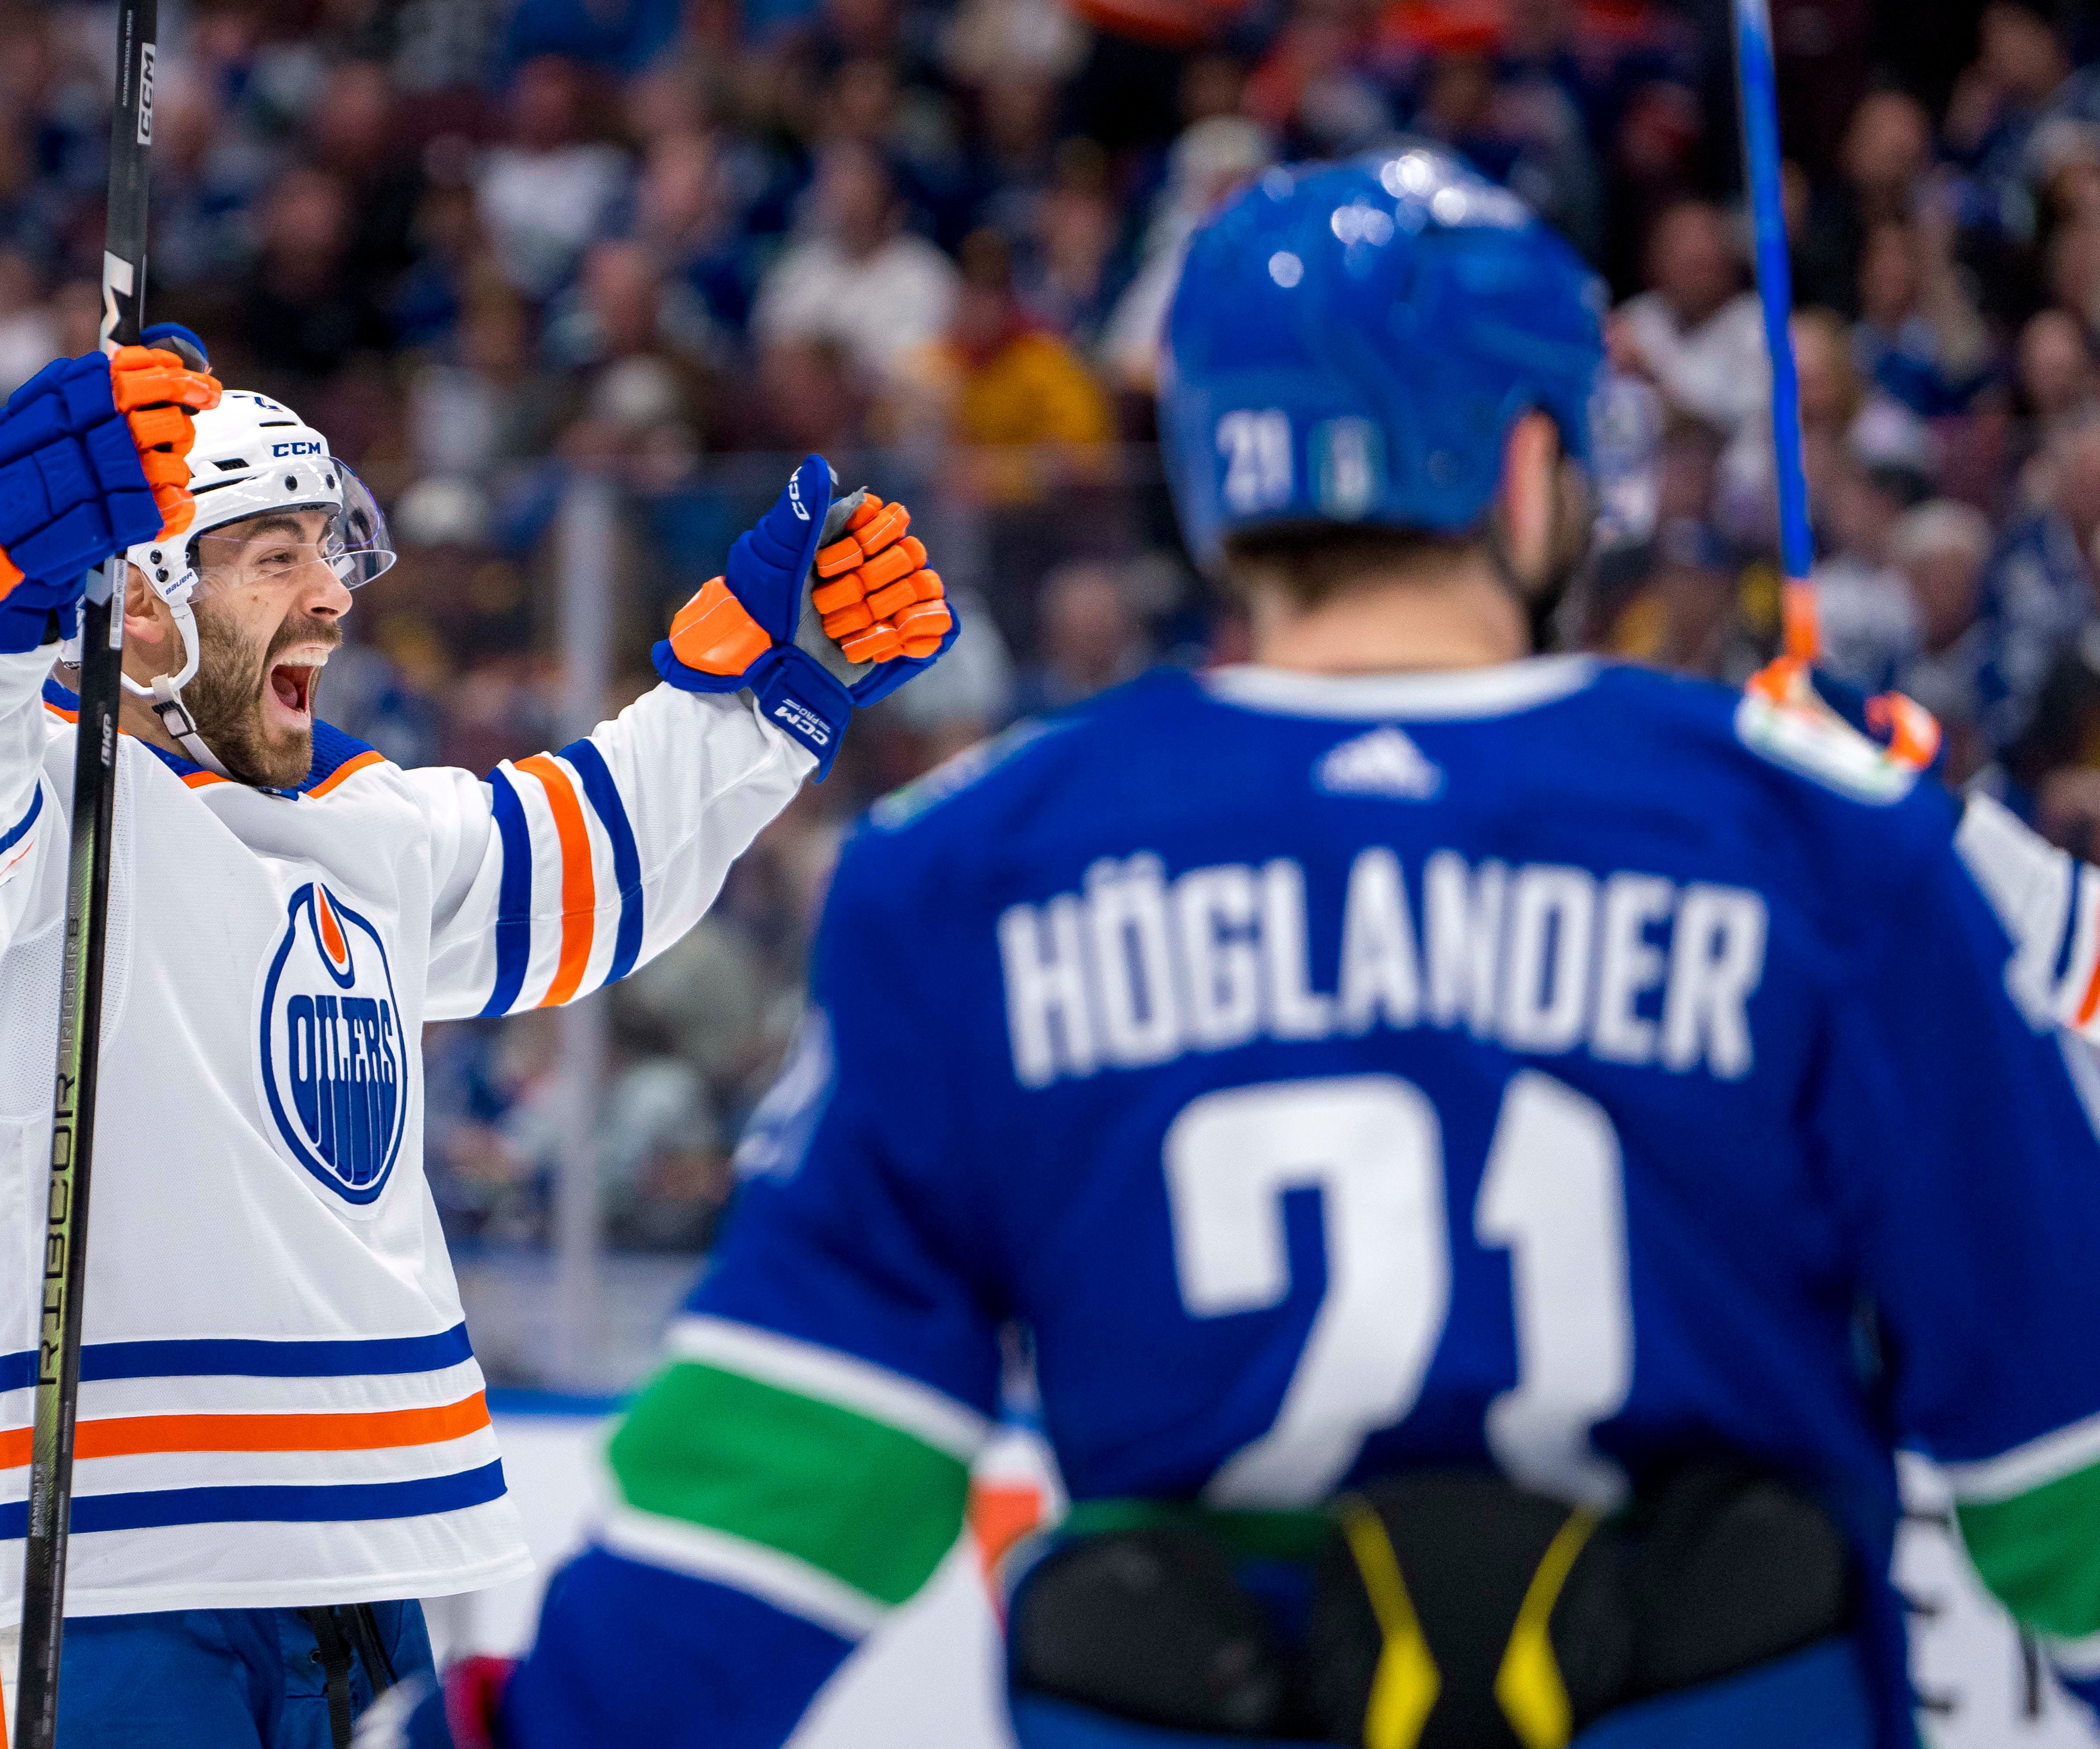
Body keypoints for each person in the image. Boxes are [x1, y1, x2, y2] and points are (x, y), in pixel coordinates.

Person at [369, 152, 2100, 1749]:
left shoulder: (977, 868)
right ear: (1528, 462)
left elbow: (777, 1504)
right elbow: (2064, 1471)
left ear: (1215, 474)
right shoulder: (1815, 835)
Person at [0, 325, 955, 1747]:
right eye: (274, 556)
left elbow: (584, 864)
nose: (331, 598)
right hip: (85, 1583)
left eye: (329, 548)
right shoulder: (35, 813)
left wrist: (761, 689)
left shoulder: (364, 829)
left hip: (362, 1593)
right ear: (148, 605)